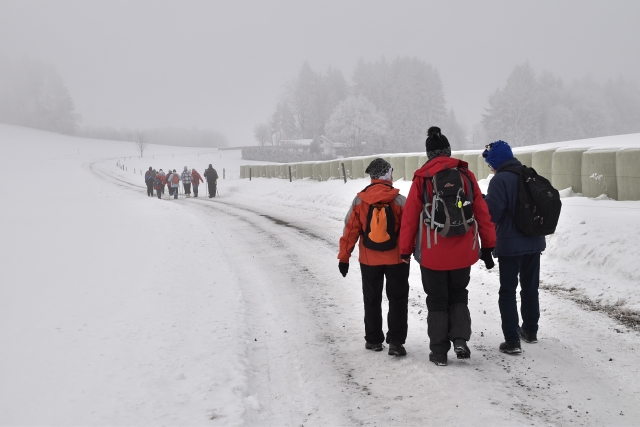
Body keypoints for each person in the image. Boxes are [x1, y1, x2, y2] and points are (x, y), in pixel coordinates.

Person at [399, 127, 496, 366]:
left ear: (429, 154)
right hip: (464, 252)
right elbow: (482, 212)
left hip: (433, 254)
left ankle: (439, 352)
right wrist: (488, 246)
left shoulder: (422, 179)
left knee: (437, 299)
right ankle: (460, 339)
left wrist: (405, 250)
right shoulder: (466, 175)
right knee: (458, 295)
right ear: (449, 151)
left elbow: (410, 218)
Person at [338, 158, 409, 357]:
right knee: (398, 300)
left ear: (372, 176)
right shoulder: (400, 200)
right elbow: (409, 231)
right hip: (397, 260)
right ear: (387, 175)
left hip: (369, 261)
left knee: (371, 299)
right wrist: (409, 253)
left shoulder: (360, 201)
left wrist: (344, 257)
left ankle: (373, 340)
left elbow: (350, 229)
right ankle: (396, 341)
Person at [482, 140, 546, 355]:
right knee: (530, 288)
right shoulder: (529, 174)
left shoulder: (499, 180)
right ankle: (530, 330)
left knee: (507, 291)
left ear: (496, 161)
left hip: (510, 244)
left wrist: (484, 201)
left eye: (490, 162)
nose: (489, 167)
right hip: (534, 241)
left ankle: (512, 341)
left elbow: (493, 214)